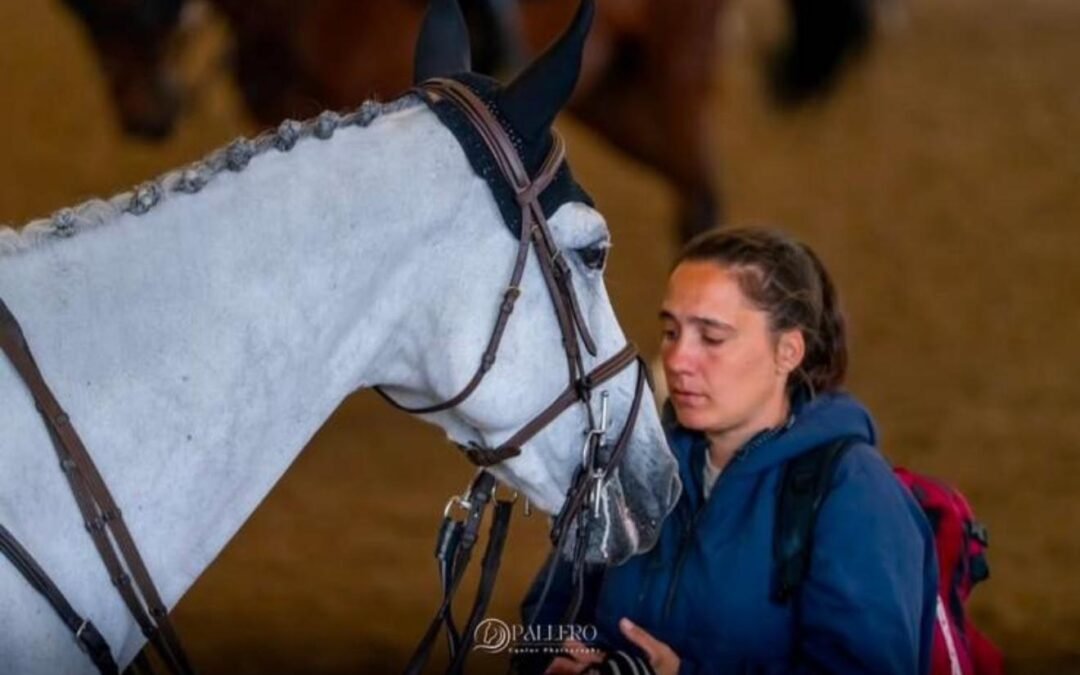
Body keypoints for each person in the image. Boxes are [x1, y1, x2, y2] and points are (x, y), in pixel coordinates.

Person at [519, 226, 938, 675]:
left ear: (788, 351)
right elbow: (542, 621)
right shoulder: (631, 470)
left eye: (712, 338)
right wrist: (562, 657)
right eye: (670, 331)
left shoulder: (854, 492)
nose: (678, 359)